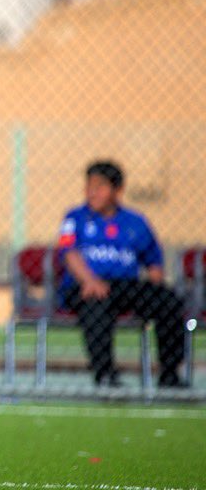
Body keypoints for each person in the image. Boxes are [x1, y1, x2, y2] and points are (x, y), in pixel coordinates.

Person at [57, 161, 186, 388]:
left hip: (125, 286)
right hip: (85, 286)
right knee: (96, 304)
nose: (92, 193)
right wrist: (90, 280)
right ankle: (106, 375)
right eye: (89, 187)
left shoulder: (135, 222)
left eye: (100, 187)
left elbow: (153, 263)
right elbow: (69, 253)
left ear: (117, 190)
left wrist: (155, 287)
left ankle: (169, 374)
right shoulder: (75, 218)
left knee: (168, 301)